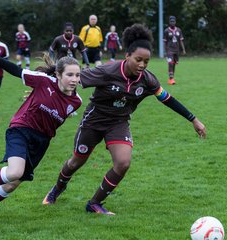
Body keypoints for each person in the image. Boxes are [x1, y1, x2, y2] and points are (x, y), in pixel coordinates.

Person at [42, 24, 206, 215]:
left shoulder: (148, 80)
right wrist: (43, 89)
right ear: (127, 55)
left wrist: (193, 119)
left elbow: (168, 100)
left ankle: (94, 203)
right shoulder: (107, 71)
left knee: (123, 162)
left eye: (146, 61)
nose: (142, 65)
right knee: (76, 162)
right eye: (138, 60)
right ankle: (57, 189)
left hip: (118, 123)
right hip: (93, 121)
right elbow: (72, 80)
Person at [0, 44, 82, 222]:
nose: (74, 79)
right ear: (58, 75)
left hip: (41, 142)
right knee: (14, 172)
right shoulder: (43, 81)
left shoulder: (76, 101)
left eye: (77, 75)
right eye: (70, 74)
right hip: (21, 129)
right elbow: (14, 69)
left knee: (12, 184)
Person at [163, 16, 186, 85]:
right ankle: (171, 79)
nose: (172, 23)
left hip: (176, 50)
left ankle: (172, 77)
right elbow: (164, 42)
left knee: (174, 64)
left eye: (173, 21)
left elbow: (181, 41)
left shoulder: (179, 30)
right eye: (171, 21)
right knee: (170, 63)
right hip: (169, 50)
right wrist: (165, 51)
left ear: (175, 22)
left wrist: (183, 50)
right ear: (169, 22)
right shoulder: (166, 31)